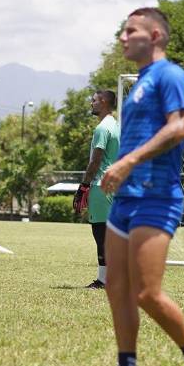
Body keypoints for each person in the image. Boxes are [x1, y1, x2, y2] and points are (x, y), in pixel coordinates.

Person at [95, 7, 184, 366]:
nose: (123, 37)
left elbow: (180, 127)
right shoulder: (141, 82)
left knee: (147, 293)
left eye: (131, 31)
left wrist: (127, 161)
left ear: (157, 36)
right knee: (116, 287)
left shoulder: (171, 75)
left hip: (157, 196)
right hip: (126, 200)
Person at [74, 89, 120, 289]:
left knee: (100, 233)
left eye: (93, 100)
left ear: (103, 102)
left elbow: (96, 161)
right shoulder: (116, 125)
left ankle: (103, 280)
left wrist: (83, 186)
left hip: (101, 184)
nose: (91, 104)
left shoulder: (102, 128)